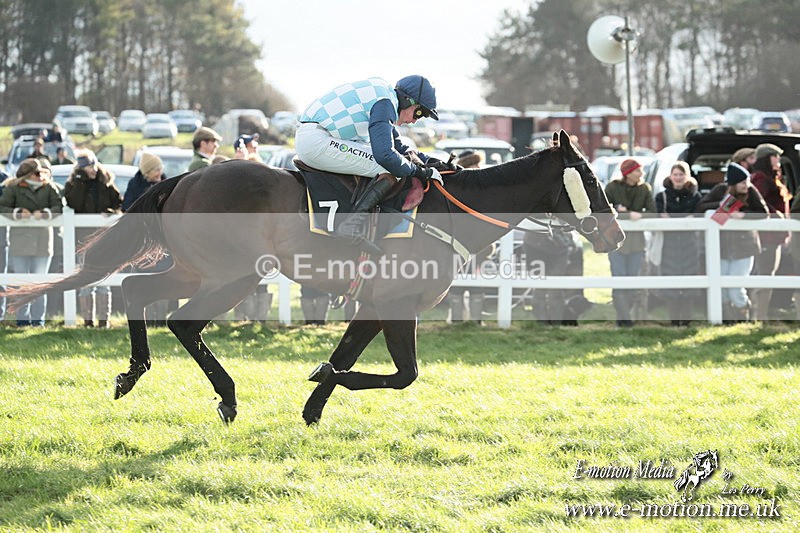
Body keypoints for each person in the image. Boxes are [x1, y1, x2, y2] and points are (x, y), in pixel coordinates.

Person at [295, 75, 445, 254]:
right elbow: (386, 156)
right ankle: (350, 226)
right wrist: (421, 172)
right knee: (391, 168)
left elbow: (399, 147)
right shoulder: (385, 103)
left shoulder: (385, 97)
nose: (414, 121)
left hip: (315, 136)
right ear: (407, 100)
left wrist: (434, 162)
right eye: (419, 113)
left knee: (395, 162)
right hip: (316, 141)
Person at [696, 162, 769, 322]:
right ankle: (727, 320)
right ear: (733, 183)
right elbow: (701, 207)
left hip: (744, 247)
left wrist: (743, 215)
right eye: (742, 182)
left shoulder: (751, 191)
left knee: (736, 287)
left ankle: (745, 316)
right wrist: (724, 206)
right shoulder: (720, 190)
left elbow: (764, 213)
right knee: (721, 288)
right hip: (721, 246)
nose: (746, 185)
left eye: (747, 181)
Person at [0, 158, 63, 326]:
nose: (40, 175)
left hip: (43, 241)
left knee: (40, 283)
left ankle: (38, 320)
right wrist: (18, 213)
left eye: (41, 172)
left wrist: (45, 213)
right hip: (20, 241)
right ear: (27, 175)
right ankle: (22, 320)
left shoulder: (49, 187)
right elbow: (2, 207)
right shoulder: (13, 188)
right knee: (22, 284)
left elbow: (59, 207)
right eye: (36, 173)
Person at [64, 151, 123, 327]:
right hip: (83, 240)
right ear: (81, 169)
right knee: (85, 279)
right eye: (89, 167)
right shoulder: (73, 184)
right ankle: (88, 321)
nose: (94, 169)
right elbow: (74, 203)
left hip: (104, 239)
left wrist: (112, 212)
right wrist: (80, 182)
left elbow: (118, 203)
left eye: (94, 165)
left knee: (104, 279)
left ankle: (104, 321)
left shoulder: (106, 182)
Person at [604, 159, 656, 326]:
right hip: (615, 242)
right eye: (637, 170)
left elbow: (653, 212)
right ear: (627, 173)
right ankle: (625, 321)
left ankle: (623, 321)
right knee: (619, 281)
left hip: (637, 243)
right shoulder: (612, 188)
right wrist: (626, 214)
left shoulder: (644, 188)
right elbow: (603, 211)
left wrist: (636, 214)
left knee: (632, 283)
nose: (641, 173)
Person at [655, 161, 702, 326]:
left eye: (681, 174)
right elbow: (658, 214)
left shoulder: (695, 196)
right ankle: (674, 320)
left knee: (689, 279)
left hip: (689, 242)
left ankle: (687, 320)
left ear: (686, 176)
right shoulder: (662, 197)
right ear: (670, 176)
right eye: (675, 174)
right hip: (668, 243)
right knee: (670, 279)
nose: (678, 177)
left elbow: (698, 214)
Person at [748, 143, 791, 321]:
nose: (778, 160)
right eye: (775, 156)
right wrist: (776, 214)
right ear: (767, 158)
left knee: (768, 274)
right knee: (765, 274)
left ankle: (761, 315)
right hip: (766, 236)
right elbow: (759, 202)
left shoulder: (771, 178)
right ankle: (759, 316)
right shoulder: (760, 178)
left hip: (775, 235)